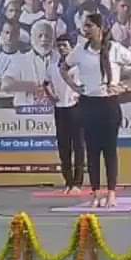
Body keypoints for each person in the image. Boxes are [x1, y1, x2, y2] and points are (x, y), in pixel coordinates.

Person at [59, 13, 131, 209]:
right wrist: (74, 86)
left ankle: (111, 193)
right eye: (84, 26)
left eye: (89, 26)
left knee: (109, 150)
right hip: (88, 104)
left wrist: (125, 85)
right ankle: (96, 192)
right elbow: (63, 68)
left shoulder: (114, 49)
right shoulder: (80, 51)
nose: (86, 29)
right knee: (92, 150)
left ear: (100, 28)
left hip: (109, 104)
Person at [46, 34, 84, 194]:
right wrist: (51, 96)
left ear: (72, 47)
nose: (62, 48)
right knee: (64, 147)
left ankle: (77, 183)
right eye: (59, 45)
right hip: (60, 109)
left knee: (78, 146)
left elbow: (84, 86)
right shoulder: (52, 66)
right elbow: (46, 83)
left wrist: (79, 96)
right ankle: (68, 182)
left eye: (65, 45)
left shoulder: (78, 66)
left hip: (75, 108)